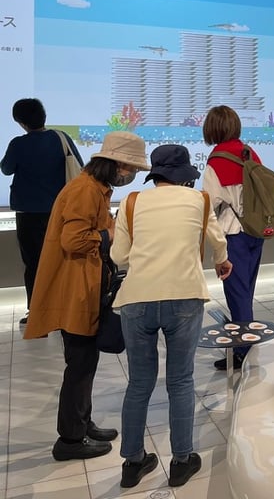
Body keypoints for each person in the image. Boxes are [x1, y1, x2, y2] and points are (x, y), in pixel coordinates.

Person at [111, 145, 232, 488]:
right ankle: (182, 461)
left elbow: (119, 257)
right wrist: (222, 262)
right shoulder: (199, 200)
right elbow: (217, 242)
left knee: (139, 383)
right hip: (184, 297)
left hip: (137, 301)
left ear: (155, 174)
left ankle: (133, 463)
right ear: (184, 175)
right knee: (180, 381)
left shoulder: (132, 202)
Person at [24, 131, 150, 461]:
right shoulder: (84, 190)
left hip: (84, 285)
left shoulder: (93, 187)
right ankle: (69, 440)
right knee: (79, 365)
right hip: (75, 290)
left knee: (85, 362)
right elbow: (74, 240)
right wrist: (109, 234)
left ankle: (82, 422)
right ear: (118, 164)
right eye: (131, 168)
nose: (131, 175)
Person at [1, 98, 84, 325]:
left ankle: (38, 311)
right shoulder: (61, 138)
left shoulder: (18, 144)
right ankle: (64, 308)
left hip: (28, 213)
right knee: (62, 259)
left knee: (34, 262)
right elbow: (79, 164)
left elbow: (6, 168)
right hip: (61, 211)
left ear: (20, 122)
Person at [202, 105, 267, 370]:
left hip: (233, 235)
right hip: (256, 231)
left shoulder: (216, 162)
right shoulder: (250, 153)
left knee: (237, 295)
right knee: (246, 291)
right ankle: (245, 342)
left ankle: (242, 350)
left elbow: (209, 205)